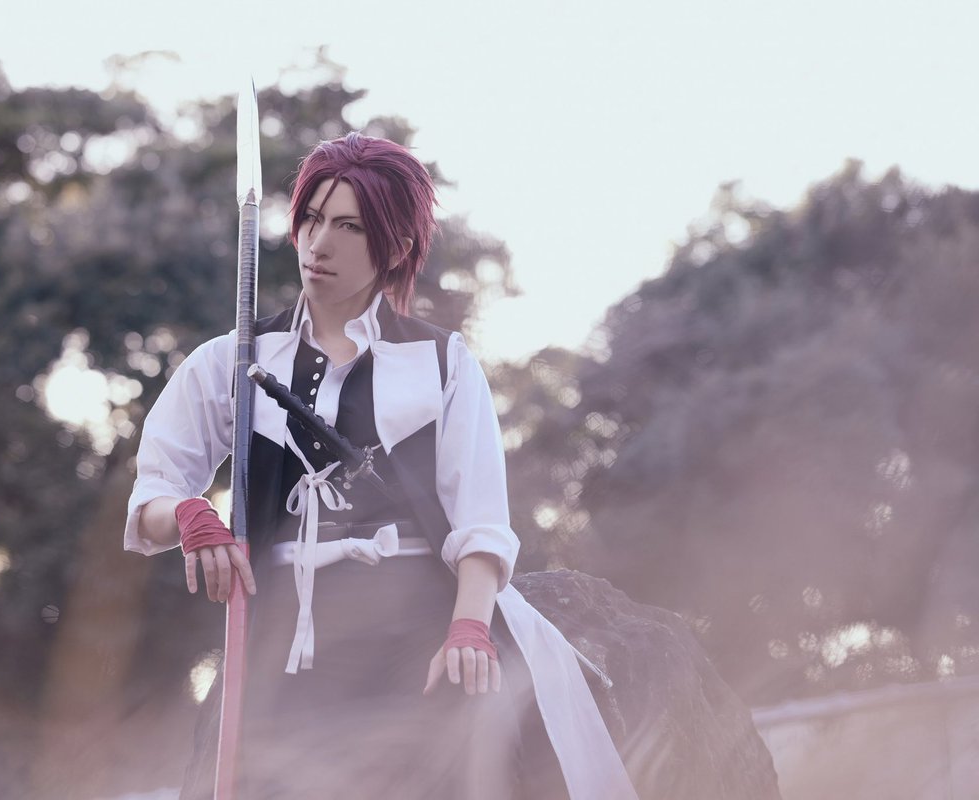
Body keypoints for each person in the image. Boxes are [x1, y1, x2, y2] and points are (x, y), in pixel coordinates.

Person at [124, 133, 637, 799]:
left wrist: (468, 626)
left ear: (394, 247)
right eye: (312, 218)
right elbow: (152, 498)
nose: (319, 244)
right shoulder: (232, 360)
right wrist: (191, 514)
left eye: (350, 227)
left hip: (412, 631)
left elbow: (480, 521)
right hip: (282, 632)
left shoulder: (443, 362)